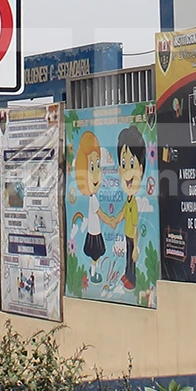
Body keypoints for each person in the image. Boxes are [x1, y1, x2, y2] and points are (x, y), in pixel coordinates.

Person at [104, 125, 147, 291]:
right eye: (123, 163)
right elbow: (123, 212)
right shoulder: (129, 199)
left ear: (141, 170)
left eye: (131, 163)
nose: (127, 171)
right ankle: (127, 274)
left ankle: (131, 278)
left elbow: (135, 225)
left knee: (131, 256)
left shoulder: (134, 202)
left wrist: (136, 246)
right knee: (127, 256)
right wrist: (116, 220)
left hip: (131, 235)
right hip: (126, 234)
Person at [72, 131, 107, 284]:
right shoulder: (93, 199)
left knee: (96, 255)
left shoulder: (92, 197)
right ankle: (93, 273)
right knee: (96, 254)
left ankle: (94, 272)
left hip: (93, 231)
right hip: (95, 232)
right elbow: (100, 214)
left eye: (97, 165)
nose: (96, 173)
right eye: (92, 166)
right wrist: (111, 220)